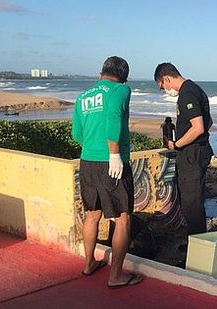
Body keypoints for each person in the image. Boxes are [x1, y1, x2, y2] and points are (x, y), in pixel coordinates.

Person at [72, 56, 142, 288]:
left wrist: (93, 146)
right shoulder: (120, 90)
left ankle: (89, 263)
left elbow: (77, 135)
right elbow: (114, 118)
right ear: (123, 77)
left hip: (87, 162)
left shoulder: (83, 97)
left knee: (92, 215)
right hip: (112, 163)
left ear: (101, 72)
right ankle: (116, 276)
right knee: (123, 219)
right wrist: (113, 154)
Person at [154, 63, 213, 236]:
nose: (165, 90)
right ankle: (194, 241)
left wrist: (176, 144)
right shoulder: (196, 89)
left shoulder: (187, 93)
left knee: (191, 203)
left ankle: (197, 246)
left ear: (167, 79)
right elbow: (209, 122)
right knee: (192, 200)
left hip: (192, 154)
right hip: (198, 151)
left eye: (162, 86)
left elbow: (198, 128)